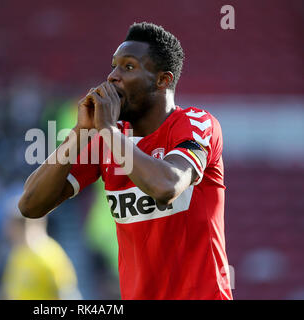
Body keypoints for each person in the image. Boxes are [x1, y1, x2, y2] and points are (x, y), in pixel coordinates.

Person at [18, 22, 232, 300]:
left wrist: (107, 128)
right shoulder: (108, 141)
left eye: (128, 67)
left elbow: (166, 187)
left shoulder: (195, 124)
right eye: (113, 66)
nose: (112, 77)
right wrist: (81, 131)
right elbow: (31, 205)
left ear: (162, 80)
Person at [0, 200, 81, 300]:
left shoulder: (50, 255)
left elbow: (67, 294)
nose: (7, 230)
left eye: (10, 224)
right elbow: (8, 291)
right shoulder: (17, 253)